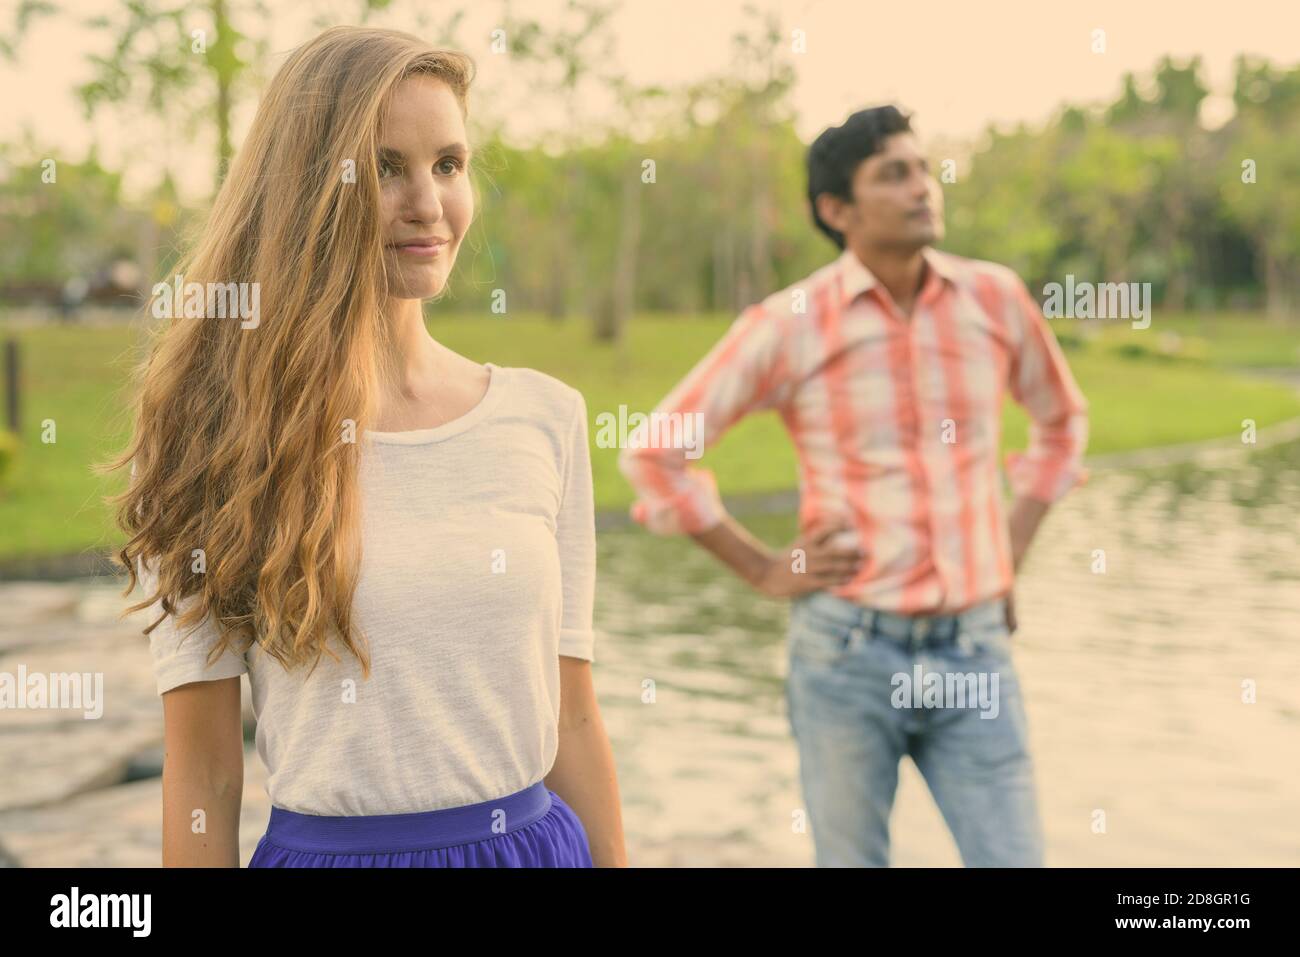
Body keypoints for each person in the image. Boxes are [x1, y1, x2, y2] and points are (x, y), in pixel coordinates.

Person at [107, 25, 625, 868]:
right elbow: (202, 773)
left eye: (449, 164)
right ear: (309, 188)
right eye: (388, 168)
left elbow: (571, 716)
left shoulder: (545, 418)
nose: (430, 203)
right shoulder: (214, 434)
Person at [618, 105, 1088, 867]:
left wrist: (1008, 548)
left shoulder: (994, 299)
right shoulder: (789, 323)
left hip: (975, 652)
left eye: (923, 168)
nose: (921, 188)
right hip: (845, 655)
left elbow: (1063, 422)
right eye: (892, 175)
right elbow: (654, 454)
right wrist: (765, 567)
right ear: (837, 210)